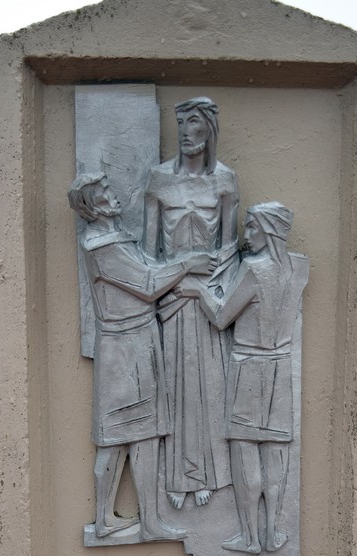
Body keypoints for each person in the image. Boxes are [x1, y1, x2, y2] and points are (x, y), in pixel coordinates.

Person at [68, 172, 213, 542]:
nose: (112, 195)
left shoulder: (117, 239)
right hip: (124, 349)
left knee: (140, 436)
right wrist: (187, 265)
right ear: (92, 206)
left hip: (138, 341)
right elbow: (148, 284)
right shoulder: (101, 247)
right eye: (103, 192)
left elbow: (149, 274)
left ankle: (144, 521)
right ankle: (112, 521)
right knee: (119, 438)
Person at [176, 202, 309, 553]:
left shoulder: (253, 269)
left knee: (245, 453)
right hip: (280, 367)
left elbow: (222, 317)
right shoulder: (299, 266)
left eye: (252, 227)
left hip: (249, 367)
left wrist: (198, 290)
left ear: (269, 230)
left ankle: (250, 538)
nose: (246, 234)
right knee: (275, 453)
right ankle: (273, 533)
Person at [143, 97, 239, 510]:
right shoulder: (159, 179)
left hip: (207, 300)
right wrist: (176, 280)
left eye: (194, 122)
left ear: (209, 129)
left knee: (209, 391)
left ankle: (207, 476)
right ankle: (176, 478)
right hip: (171, 299)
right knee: (173, 392)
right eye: (181, 122)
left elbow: (230, 249)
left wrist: (207, 289)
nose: (186, 131)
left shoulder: (225, 181)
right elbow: (148, 251)